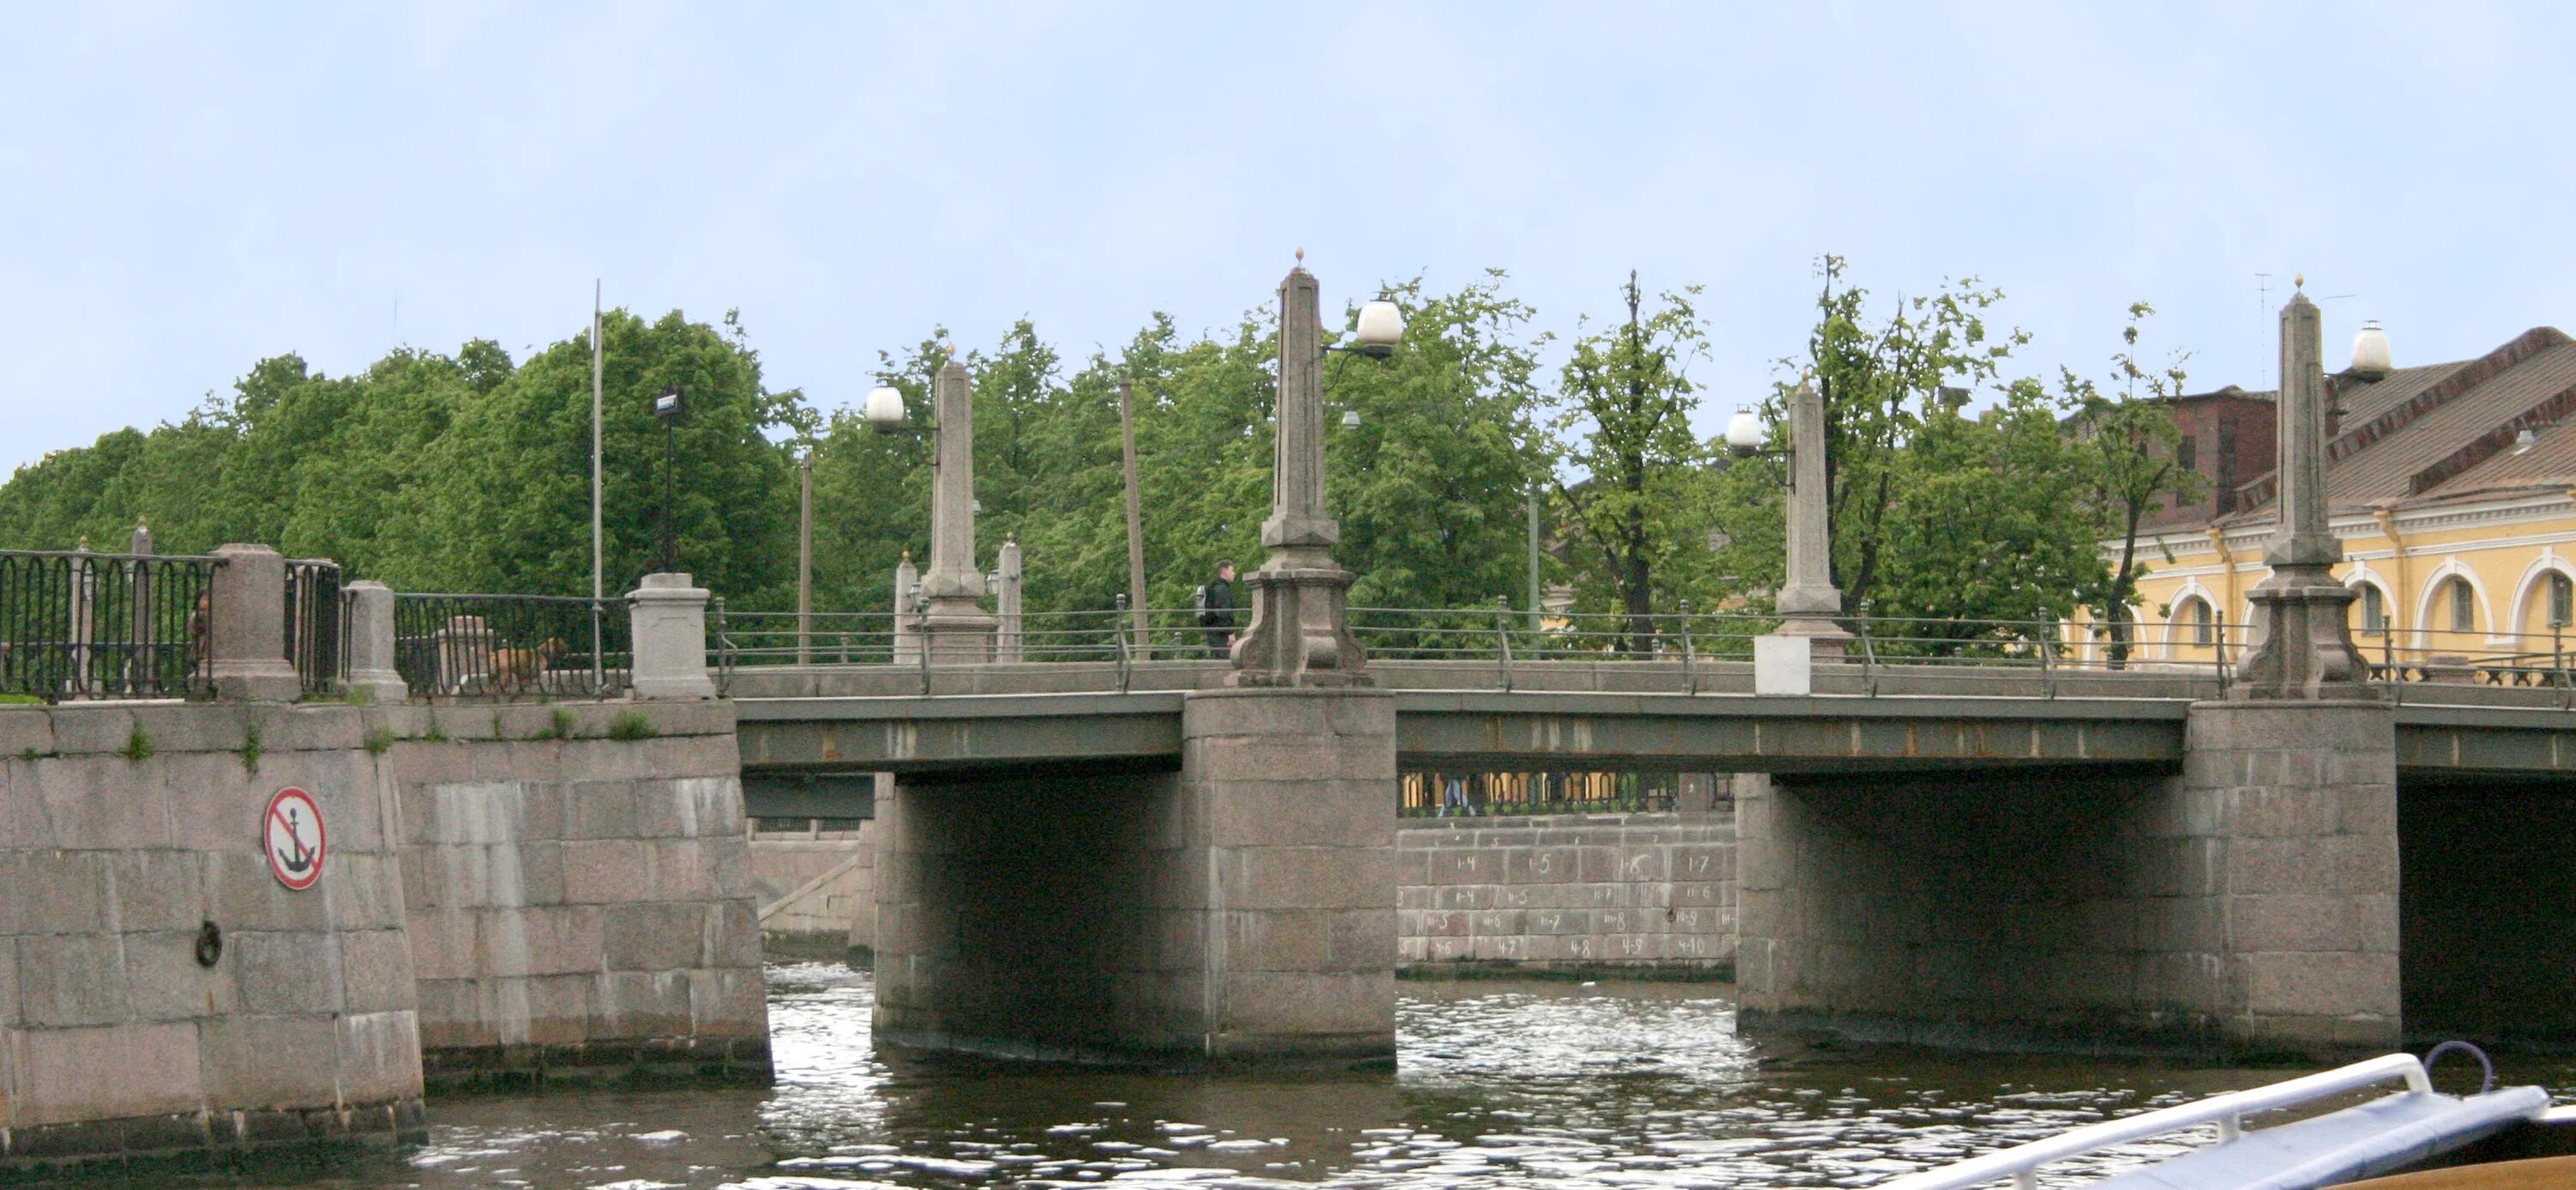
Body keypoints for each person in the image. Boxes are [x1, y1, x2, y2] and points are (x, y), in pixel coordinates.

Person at [1197, 560, 1237, 658]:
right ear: (1224, 571)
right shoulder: (1222, 589)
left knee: (1216, 659)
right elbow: (1223, 613)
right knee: (1225, 662)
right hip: (1221, 634)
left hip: (1213, 631)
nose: (1234, 573)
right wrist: (1230, 633)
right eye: (1232, 570)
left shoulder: (1214, 587)